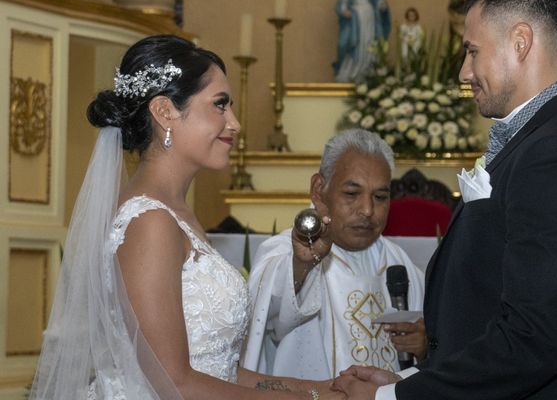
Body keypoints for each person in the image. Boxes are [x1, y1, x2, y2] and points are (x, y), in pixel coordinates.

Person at [333, 0, 557, 399]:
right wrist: (413, 381)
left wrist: (391, 399)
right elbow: (486, 311)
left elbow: (531, 341)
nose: (463, 72)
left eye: (472, 51)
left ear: (521, 41)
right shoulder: (548, 139)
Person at [29, 35, 343, 400]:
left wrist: (322, 388)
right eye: (220, 106)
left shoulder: (175, 213)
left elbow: (216, 369)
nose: (235, 123)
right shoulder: (149, 221)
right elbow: (173, 382)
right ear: (165, 112)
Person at [242, 129, 426, 380]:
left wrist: (425, 347)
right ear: (319, 190)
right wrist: (302, 266)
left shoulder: (400, 265)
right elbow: (268, 316)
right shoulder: (286, 253)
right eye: (351, 194)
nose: (367, 210)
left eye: (380, 197)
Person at [333, 0, 391, 83]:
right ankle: (353, 71)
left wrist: (381, 3)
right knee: (348, 43)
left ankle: (368, 70)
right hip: (354, 18)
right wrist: (344, 10)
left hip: (369, 16)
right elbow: (342, 2)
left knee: (369, 42)